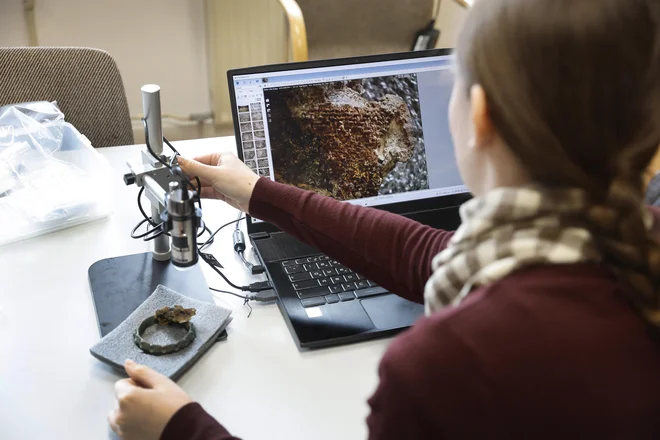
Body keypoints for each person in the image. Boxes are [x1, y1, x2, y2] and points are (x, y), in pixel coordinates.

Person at [109, 0, 660, 438]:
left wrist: (182, 428)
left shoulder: (445, 366)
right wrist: (257, 192)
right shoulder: (625, 245)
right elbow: (428, 255)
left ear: (480, 114)